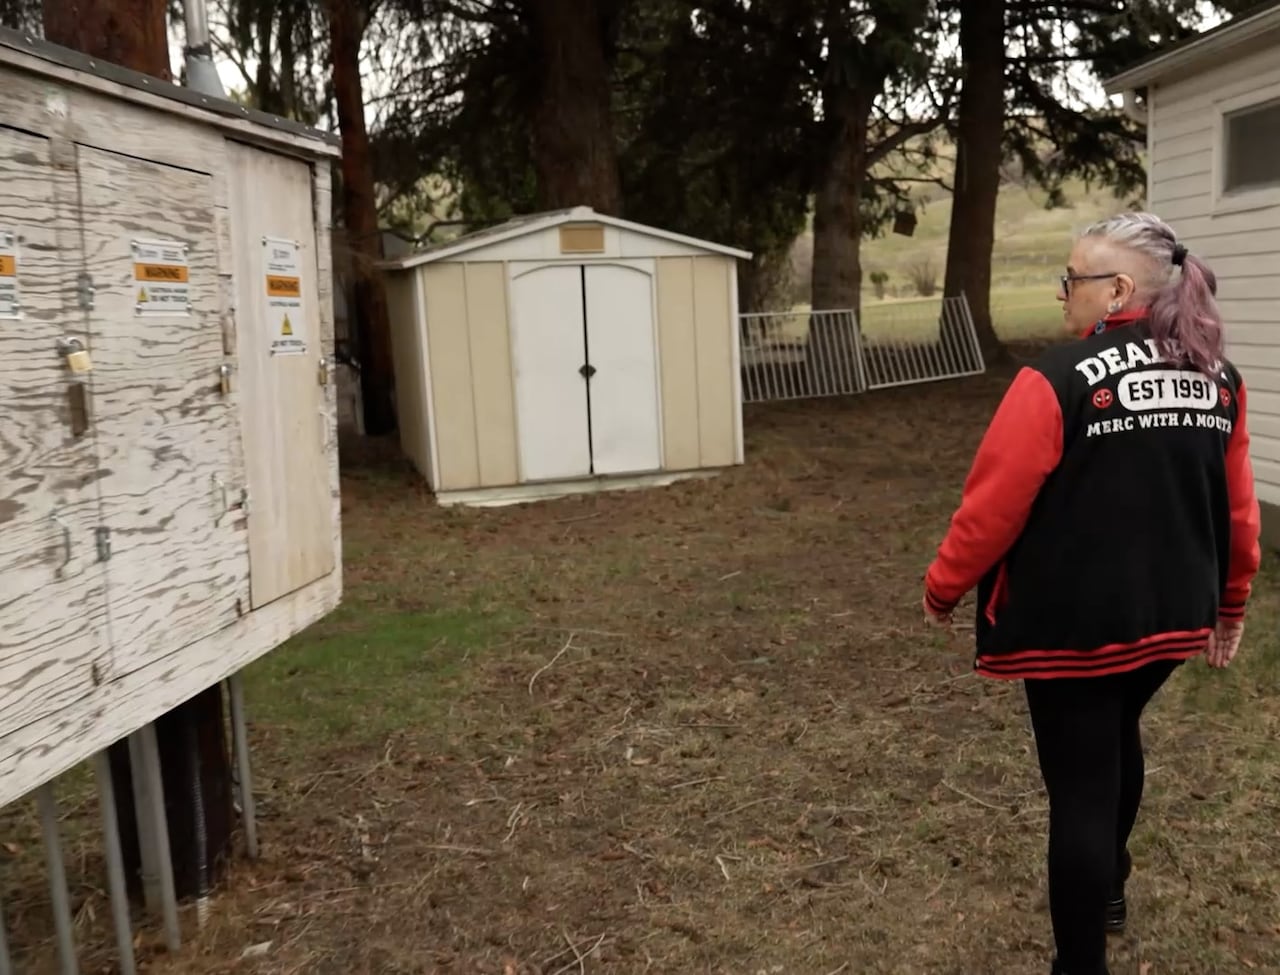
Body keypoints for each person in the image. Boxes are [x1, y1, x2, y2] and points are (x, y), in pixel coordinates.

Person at [919, 212, 1262, 975]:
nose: (1062, 295)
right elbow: (1239, 509)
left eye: (1071, 279)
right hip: (1169, 619)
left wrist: (943, 586)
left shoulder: (1055, 378)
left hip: (1070, 625)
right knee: (1111, 736)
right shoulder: (1218, 376)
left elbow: (991, 508)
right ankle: (1107, 885)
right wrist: (1230, 602)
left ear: (1115, 290)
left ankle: (1080, 960)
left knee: (1079, 783)